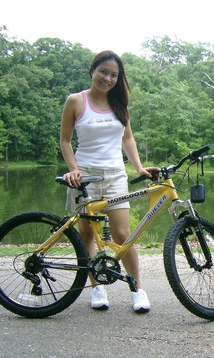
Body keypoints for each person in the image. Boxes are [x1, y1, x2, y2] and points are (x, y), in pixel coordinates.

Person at [59, 50, 156, 313]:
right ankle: (97, 287)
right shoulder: (76, 101)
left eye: (114, 74)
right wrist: (73, 169)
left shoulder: (120, 104)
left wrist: (138, 167)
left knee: (123, 235)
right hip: (84, 175)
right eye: (103, 71)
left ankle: (137, 289)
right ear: (93, 70)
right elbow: (65, 141)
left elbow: (128, 138)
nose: (108, 78)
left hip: (115, 175)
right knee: (87, 235)